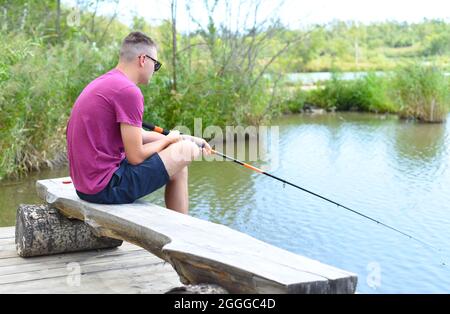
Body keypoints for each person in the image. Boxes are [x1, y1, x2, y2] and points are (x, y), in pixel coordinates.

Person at [66, 31, 212, 215]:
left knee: (179, 163)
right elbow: (136, 155)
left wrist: (181, 137)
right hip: (104, 188)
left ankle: (181, 227)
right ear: (143, 59)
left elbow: (140, 135)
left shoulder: (107, 82)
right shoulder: (129, 91)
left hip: (86, 186)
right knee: (187, 151)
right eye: (156, 64)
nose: (155, 70)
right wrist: (170, 141)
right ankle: (182, 231)